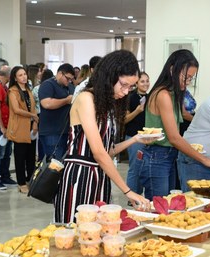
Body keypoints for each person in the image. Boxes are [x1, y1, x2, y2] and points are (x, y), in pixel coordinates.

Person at [54, 50, 151, 223]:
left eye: (130, 87)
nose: (126, 91)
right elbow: (99, 153)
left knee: (100, 233)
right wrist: (128, 191)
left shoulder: (107, 104)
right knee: (77, 232)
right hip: (80, 177)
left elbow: (108, 151)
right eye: (123, 84)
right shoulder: (86, 99)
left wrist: (135, 139)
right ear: (109, 76)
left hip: (100, 177)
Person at [137, 49, 210, 200]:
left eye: (191, 78)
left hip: (169, 155)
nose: (188, 82)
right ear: (172, 70)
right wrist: (204, 160)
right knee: (159, 207)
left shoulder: (173, 94)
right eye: (186, 77)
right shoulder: (162, 94)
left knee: (170, 204)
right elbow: (174, 137)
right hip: (157, 156)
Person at [7, 66, 38, 194]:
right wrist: (32, 116)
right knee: (20, 156)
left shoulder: (29, 90)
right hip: (19, 126)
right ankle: (21, 183)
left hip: (30, 126)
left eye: (24, 74)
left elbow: (34, 107)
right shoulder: (12, 91)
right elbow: (16, 110)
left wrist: (35, 123)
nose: (24, 77)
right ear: (15, 78)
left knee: (31, 157)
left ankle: (30, 180)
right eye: (20, 75)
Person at [38, 63, 75, 160]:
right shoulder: (47, 85)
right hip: (51, 132)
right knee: (54, 164)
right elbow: (47, 104)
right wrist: (66, 100)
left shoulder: (71, 87)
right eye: (67, 78)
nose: (69, 81)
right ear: (59, 74)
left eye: (71, 79)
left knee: (63, 163)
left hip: (66, 131)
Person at [124, 71, 150, 196]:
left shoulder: (151, 97)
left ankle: (140, 195)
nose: (145, 84)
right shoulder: (130, 97)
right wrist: (137, 111)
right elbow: (124, 119)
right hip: (134, 138)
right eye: (142, 81)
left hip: (148, 138)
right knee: (135, 167)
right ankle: (132, 195)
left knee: (145, 168)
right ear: (136, 83)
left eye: (147, 81)